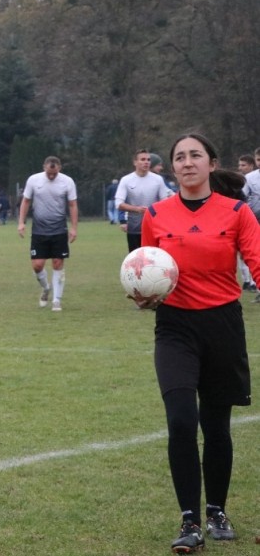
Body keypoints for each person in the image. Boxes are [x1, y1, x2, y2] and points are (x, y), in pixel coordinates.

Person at [132, 134, 260, 553]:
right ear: (173, 167)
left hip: (223, 325)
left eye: (195, 156)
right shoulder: (155, 214)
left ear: (211, 164)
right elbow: (145, 267)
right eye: (180, 157)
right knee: (182, 420)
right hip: (175, 328)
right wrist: (143, 293)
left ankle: (217, 510)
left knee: (217, 426)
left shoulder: (238, 212)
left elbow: (257, 262)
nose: (187, 163)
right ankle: (189, 520)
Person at [17, 156, 78, 311]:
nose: (51, 176)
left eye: (54, 173)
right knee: (37, 265)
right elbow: (25, 201)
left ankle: (57, 300)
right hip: (39, 230)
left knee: (58, 263)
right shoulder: (33, 180)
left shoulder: (67, 182)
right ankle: (46, 288)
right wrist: (21, 222)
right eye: (49, 173)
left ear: (59, 168)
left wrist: (73, 228)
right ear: (44, 167)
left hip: (59, 229)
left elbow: (72, 205)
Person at [115, 149, 172, 252]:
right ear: (135, 162)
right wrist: (137, 209)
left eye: (148, 160)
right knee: (136, 261)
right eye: (143, 159)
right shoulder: (126, 180)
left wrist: (152, 210)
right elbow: (118, 203)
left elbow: (165, 201)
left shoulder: (158, 179)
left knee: (155, 260)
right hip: (134, 228)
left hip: (155, 228)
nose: (146, 162)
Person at [237, 154, 258, 293]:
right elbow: (242, 198)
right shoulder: (249, 179)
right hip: (254, 218)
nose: (240, 168)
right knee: (246, 251)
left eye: (243, 165)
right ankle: (249, 281)